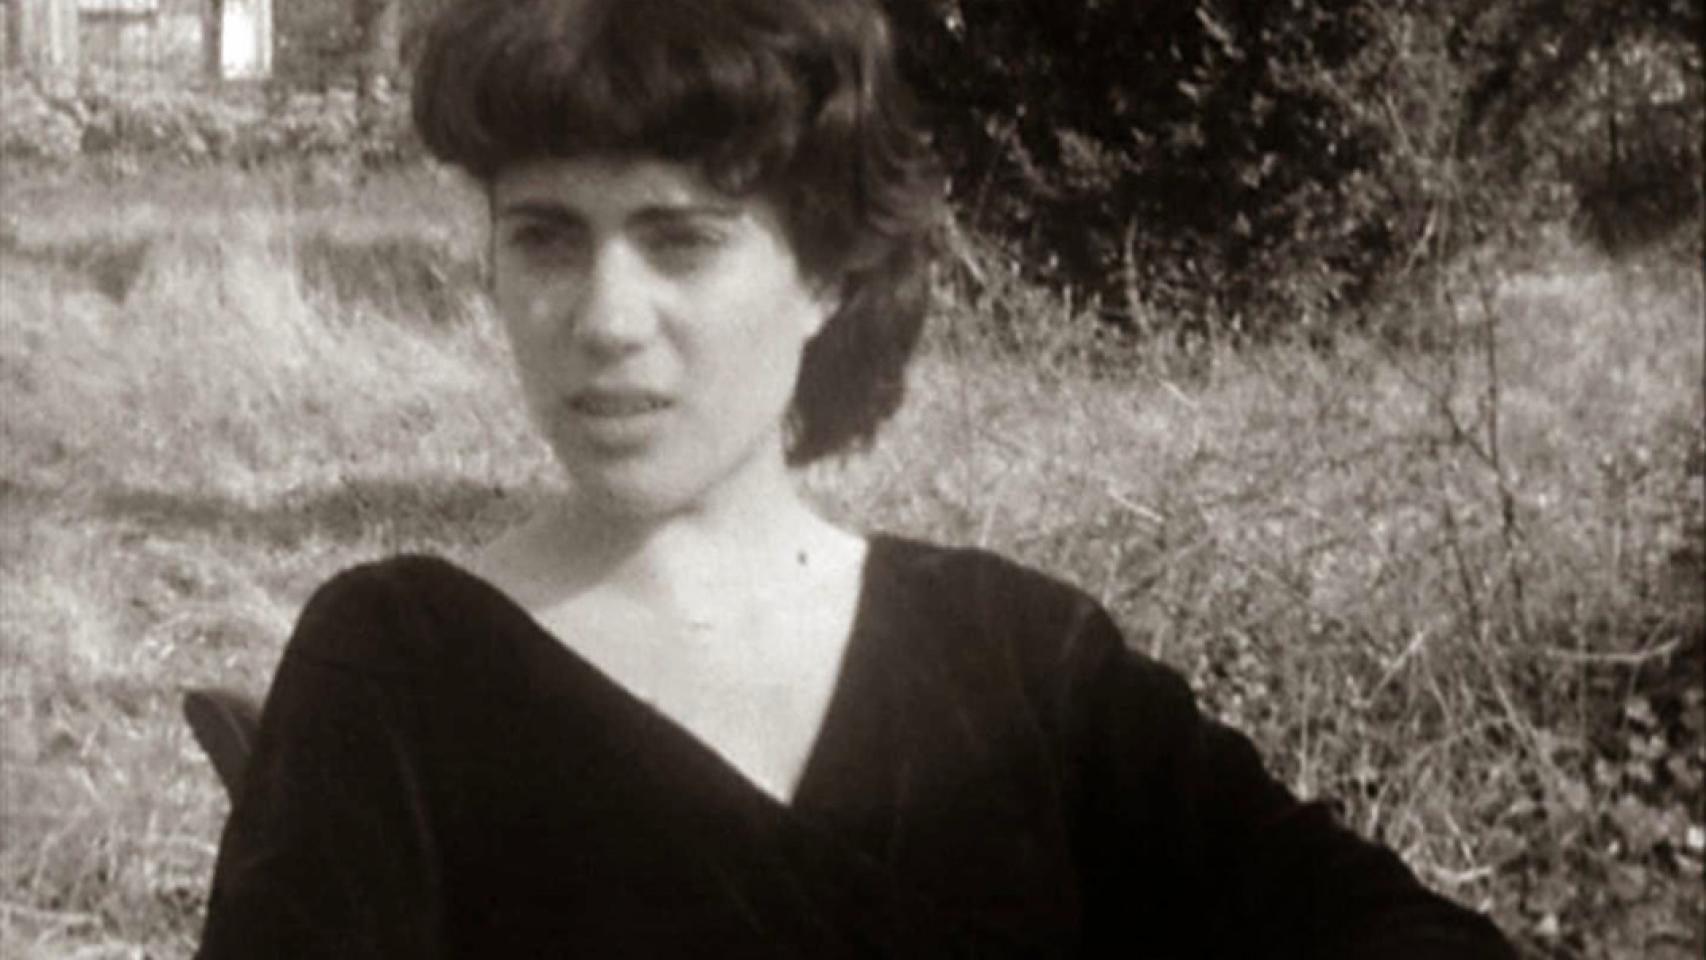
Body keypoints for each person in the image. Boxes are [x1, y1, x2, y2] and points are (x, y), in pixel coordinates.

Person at [195, 0, 1517, 956]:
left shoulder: (1015, 660)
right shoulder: (400, 670)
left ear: (826, 271)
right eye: (545, 238)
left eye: (680, 240)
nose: (602, 317)